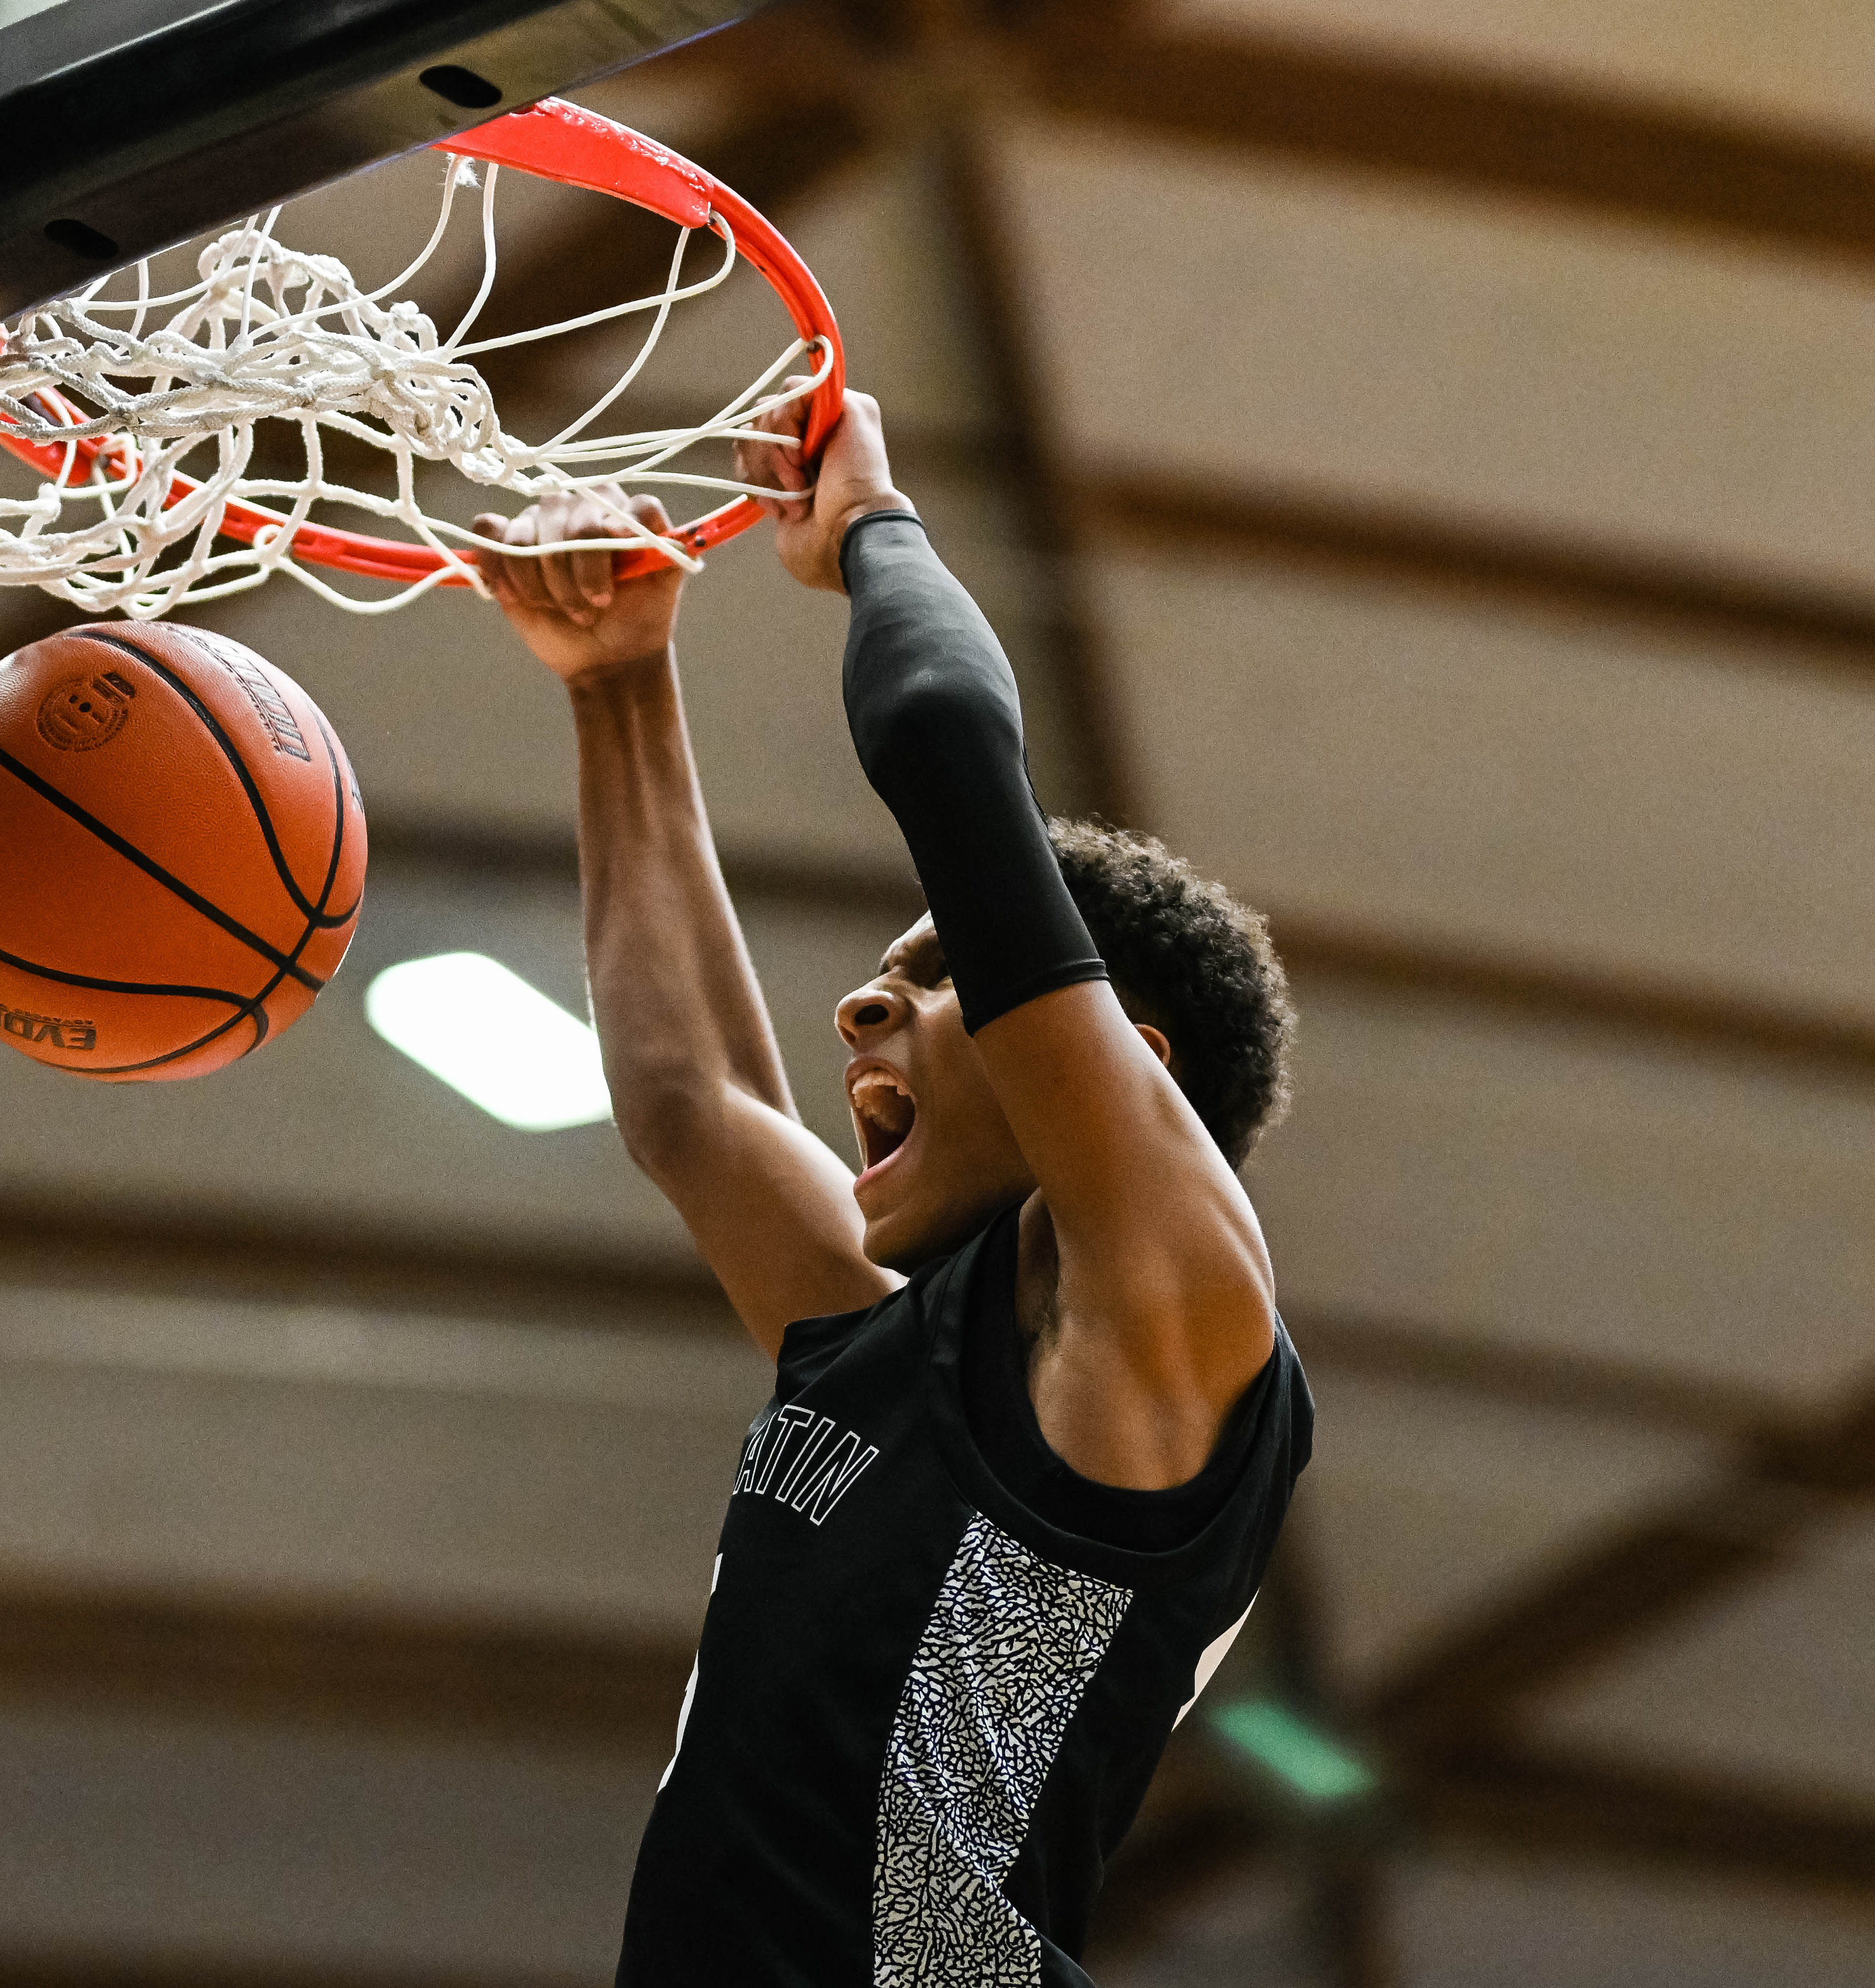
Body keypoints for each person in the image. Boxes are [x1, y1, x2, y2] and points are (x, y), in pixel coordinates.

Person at [469, 385, 1309, 1987]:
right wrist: (618, 684)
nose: (860, 1008)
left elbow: (937, 740)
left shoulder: (1169, 1333)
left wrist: (868, 525)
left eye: (929, 979)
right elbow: (689, 1099)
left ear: (1112, 1057)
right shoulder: (893, 1347)